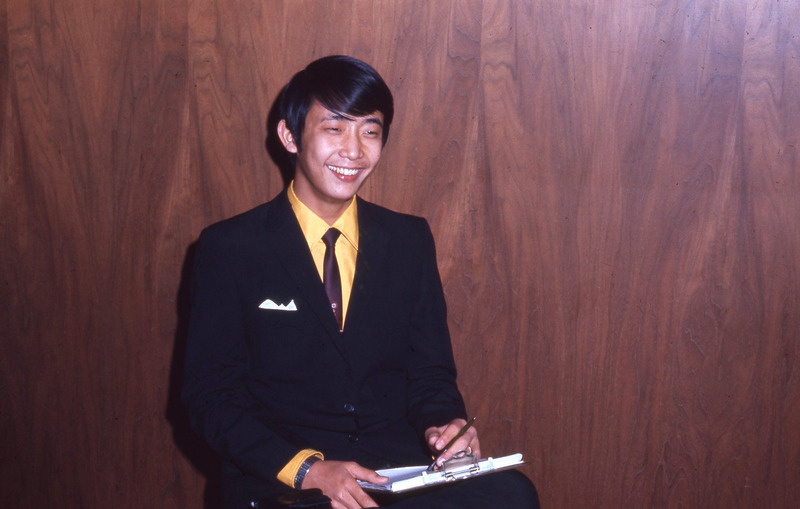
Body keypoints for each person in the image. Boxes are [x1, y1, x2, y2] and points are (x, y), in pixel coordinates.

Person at [182, 55, 539, 509]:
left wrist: (444, 426)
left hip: (395, 477)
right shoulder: (231, 247)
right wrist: (308, 469)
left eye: (370, 131)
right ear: (290, 136)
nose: (353, 151)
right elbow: (211, 398)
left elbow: (430, 375)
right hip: (287, 483)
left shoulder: (409, 240)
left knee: (512, 495)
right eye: (334, 128)